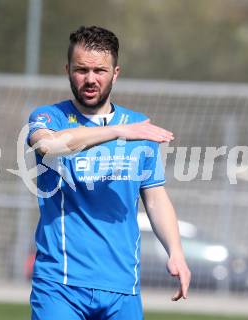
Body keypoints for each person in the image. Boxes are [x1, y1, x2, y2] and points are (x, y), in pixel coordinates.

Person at [27, 25, 190, 320]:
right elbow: (49, 147)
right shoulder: (49, 116)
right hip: (60, 284)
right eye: (81, 70)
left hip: (122, 286)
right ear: (67, 70)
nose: (90, 79)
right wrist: (115, 131)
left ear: (115, 73)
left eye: (100, 71)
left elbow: (154, 197)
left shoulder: (139, 127)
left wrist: (176, 251)